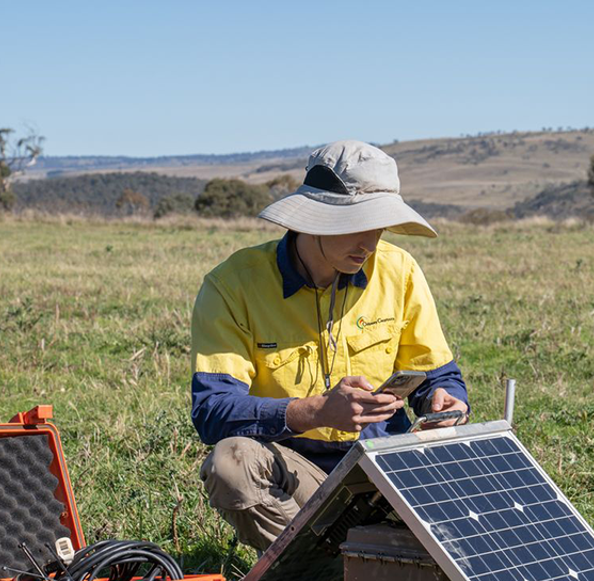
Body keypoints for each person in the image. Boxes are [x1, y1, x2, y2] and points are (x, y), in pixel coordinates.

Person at [189, 140, 469, 551]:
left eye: (379, 227)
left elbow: (438, 376)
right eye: (359, 226)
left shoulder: (400, 271)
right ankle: (317, 573)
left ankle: (357, 569)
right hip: (294, 472)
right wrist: (316, 412)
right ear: (315, 219)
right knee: (232, 463)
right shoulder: (232, 286)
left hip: (385, 469)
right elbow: (212, 412)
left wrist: (445, 403)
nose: (370, 243)